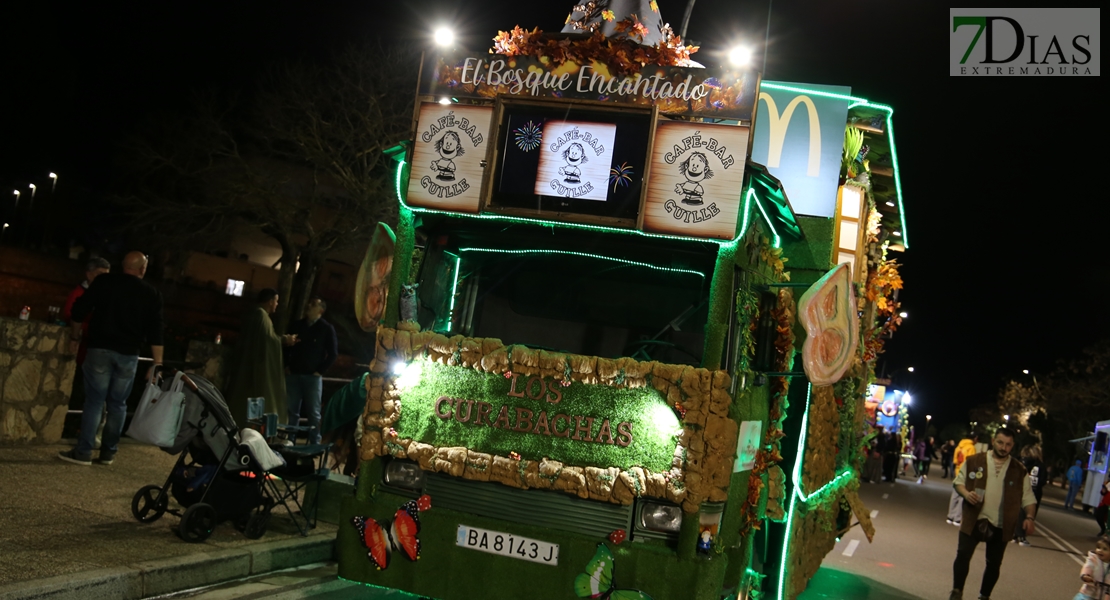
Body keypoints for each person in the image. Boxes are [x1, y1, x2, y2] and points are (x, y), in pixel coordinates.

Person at [58, 252, 164, 466]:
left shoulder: (104, 283)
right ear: (142, 269)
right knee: (118, 404)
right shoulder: (151, 293)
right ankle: (108, 452)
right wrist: (157, 363)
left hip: (100, 348)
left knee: (95, 401)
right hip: (129, 354)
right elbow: (156, 331)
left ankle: (84, 451)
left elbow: (79, 311)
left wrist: (74, 337)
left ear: (123, 266)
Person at [948, 427, 1037, 600]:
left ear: (1012, 446)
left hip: (1002, 524)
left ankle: (984, 596)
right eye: (1001, 442)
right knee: (963, 555)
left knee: (994, 563)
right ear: (993, 441)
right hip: (974, 518)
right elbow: (958, 482)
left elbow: (1028, 497)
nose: (1004, 447)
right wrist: (967, 494)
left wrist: (1030, 517)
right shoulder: (974, 460)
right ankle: (957, 591)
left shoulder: (1019, 470)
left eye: (1008, 445)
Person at [225, 288, 296, 428]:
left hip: (247, 366)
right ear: (270, 302)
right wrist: (284, 340)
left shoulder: (254, 314)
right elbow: (268, 340)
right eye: (276, 301)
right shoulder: (261, 316)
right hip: (255, 369)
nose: (276, 304)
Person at [62, 257, 111, 446]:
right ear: (89, 274)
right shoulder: (80, 293)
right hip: (84, 352)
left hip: (93, 352)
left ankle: (87, 432)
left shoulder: (103, 294)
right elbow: (70, 314)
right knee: (81, 393)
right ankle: (75, 430)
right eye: (100, 275)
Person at [284, 297, 338, 445]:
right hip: (294, 374)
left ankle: (314, 443)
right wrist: (287, 365)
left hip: (312, 377)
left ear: (320, 310)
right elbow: (286, 346)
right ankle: (290, 440)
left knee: (314, 413)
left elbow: (333, 353)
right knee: (291, 411)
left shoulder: (326, 329)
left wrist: (320, 371)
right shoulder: (298, 325)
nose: (309, 306)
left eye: (313, 305)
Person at [1013, 445, 1046, 546]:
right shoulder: (1040, 465)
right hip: (1034, 492)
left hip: (1018, 490)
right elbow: (1043, 480)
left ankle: (1014, 535)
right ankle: (1022, 537)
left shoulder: (1017, 462)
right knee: (1029, 515)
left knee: (1017, 512)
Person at [948, 433, 979, 526]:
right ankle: (957, 518)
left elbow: (955, 461)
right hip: (966, 473)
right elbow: (972, 463)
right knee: (963, 495)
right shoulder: (971, 448)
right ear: (975, 438)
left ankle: (950, 516)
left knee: (954, 495)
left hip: (957, 471)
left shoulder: (959, 446)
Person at [1074, 535, 1110, 600]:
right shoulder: (1093, 559)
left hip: (1104, 596)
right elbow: (1088, 566)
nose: (1100, 550)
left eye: (1105, 549)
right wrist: (1085, 576)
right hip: (1088, 594)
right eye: (1098, 547)